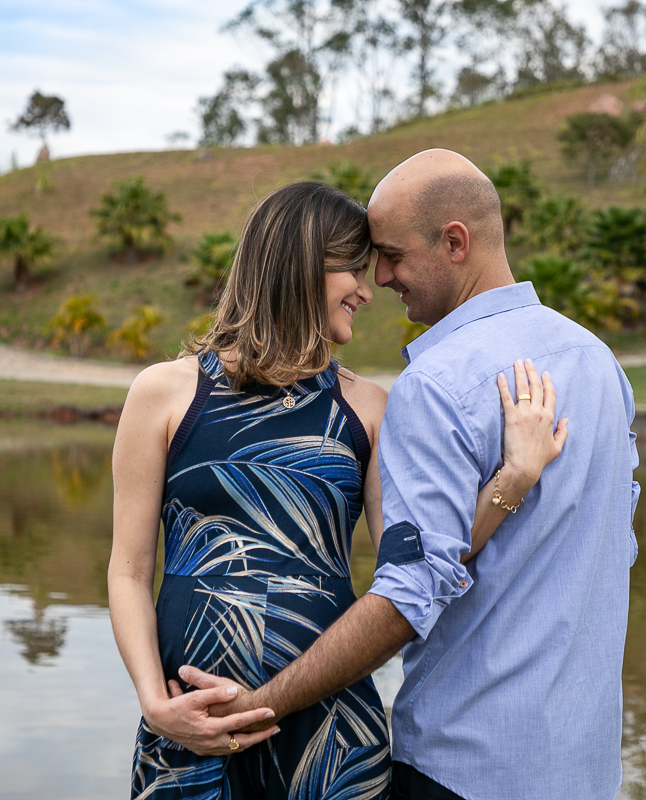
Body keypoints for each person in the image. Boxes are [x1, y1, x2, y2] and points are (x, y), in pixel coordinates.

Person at [181, 150, 640, 800]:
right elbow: (616, 547)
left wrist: (265, 705)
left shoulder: (438, 381)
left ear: (455, 241)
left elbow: (405, 596)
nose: (382, 278)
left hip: (466, 766)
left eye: (391, 255)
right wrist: (508, 487)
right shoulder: (599, 363)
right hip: (585, 768)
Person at [107, 179, 568, 799]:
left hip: (330, 736)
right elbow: (129, 571)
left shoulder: (369, 408)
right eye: (352, 267)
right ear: (297, 265)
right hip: (189, 732)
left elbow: (424, 563)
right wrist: (152, 702)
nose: (368, 288)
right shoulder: (164, 393)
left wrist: (514, 478)